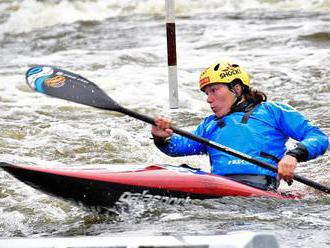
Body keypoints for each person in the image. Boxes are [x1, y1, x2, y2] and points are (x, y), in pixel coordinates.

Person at [151, 59, 329, 191]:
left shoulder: (273, 111)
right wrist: (162, 137)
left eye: (214, 90)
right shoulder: (209, 124)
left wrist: (293, 155)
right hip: (219, 186)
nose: (208, 99)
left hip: (260, 189)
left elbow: (318, 138)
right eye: (206, 93)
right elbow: (178, 148)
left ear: (236, 89)